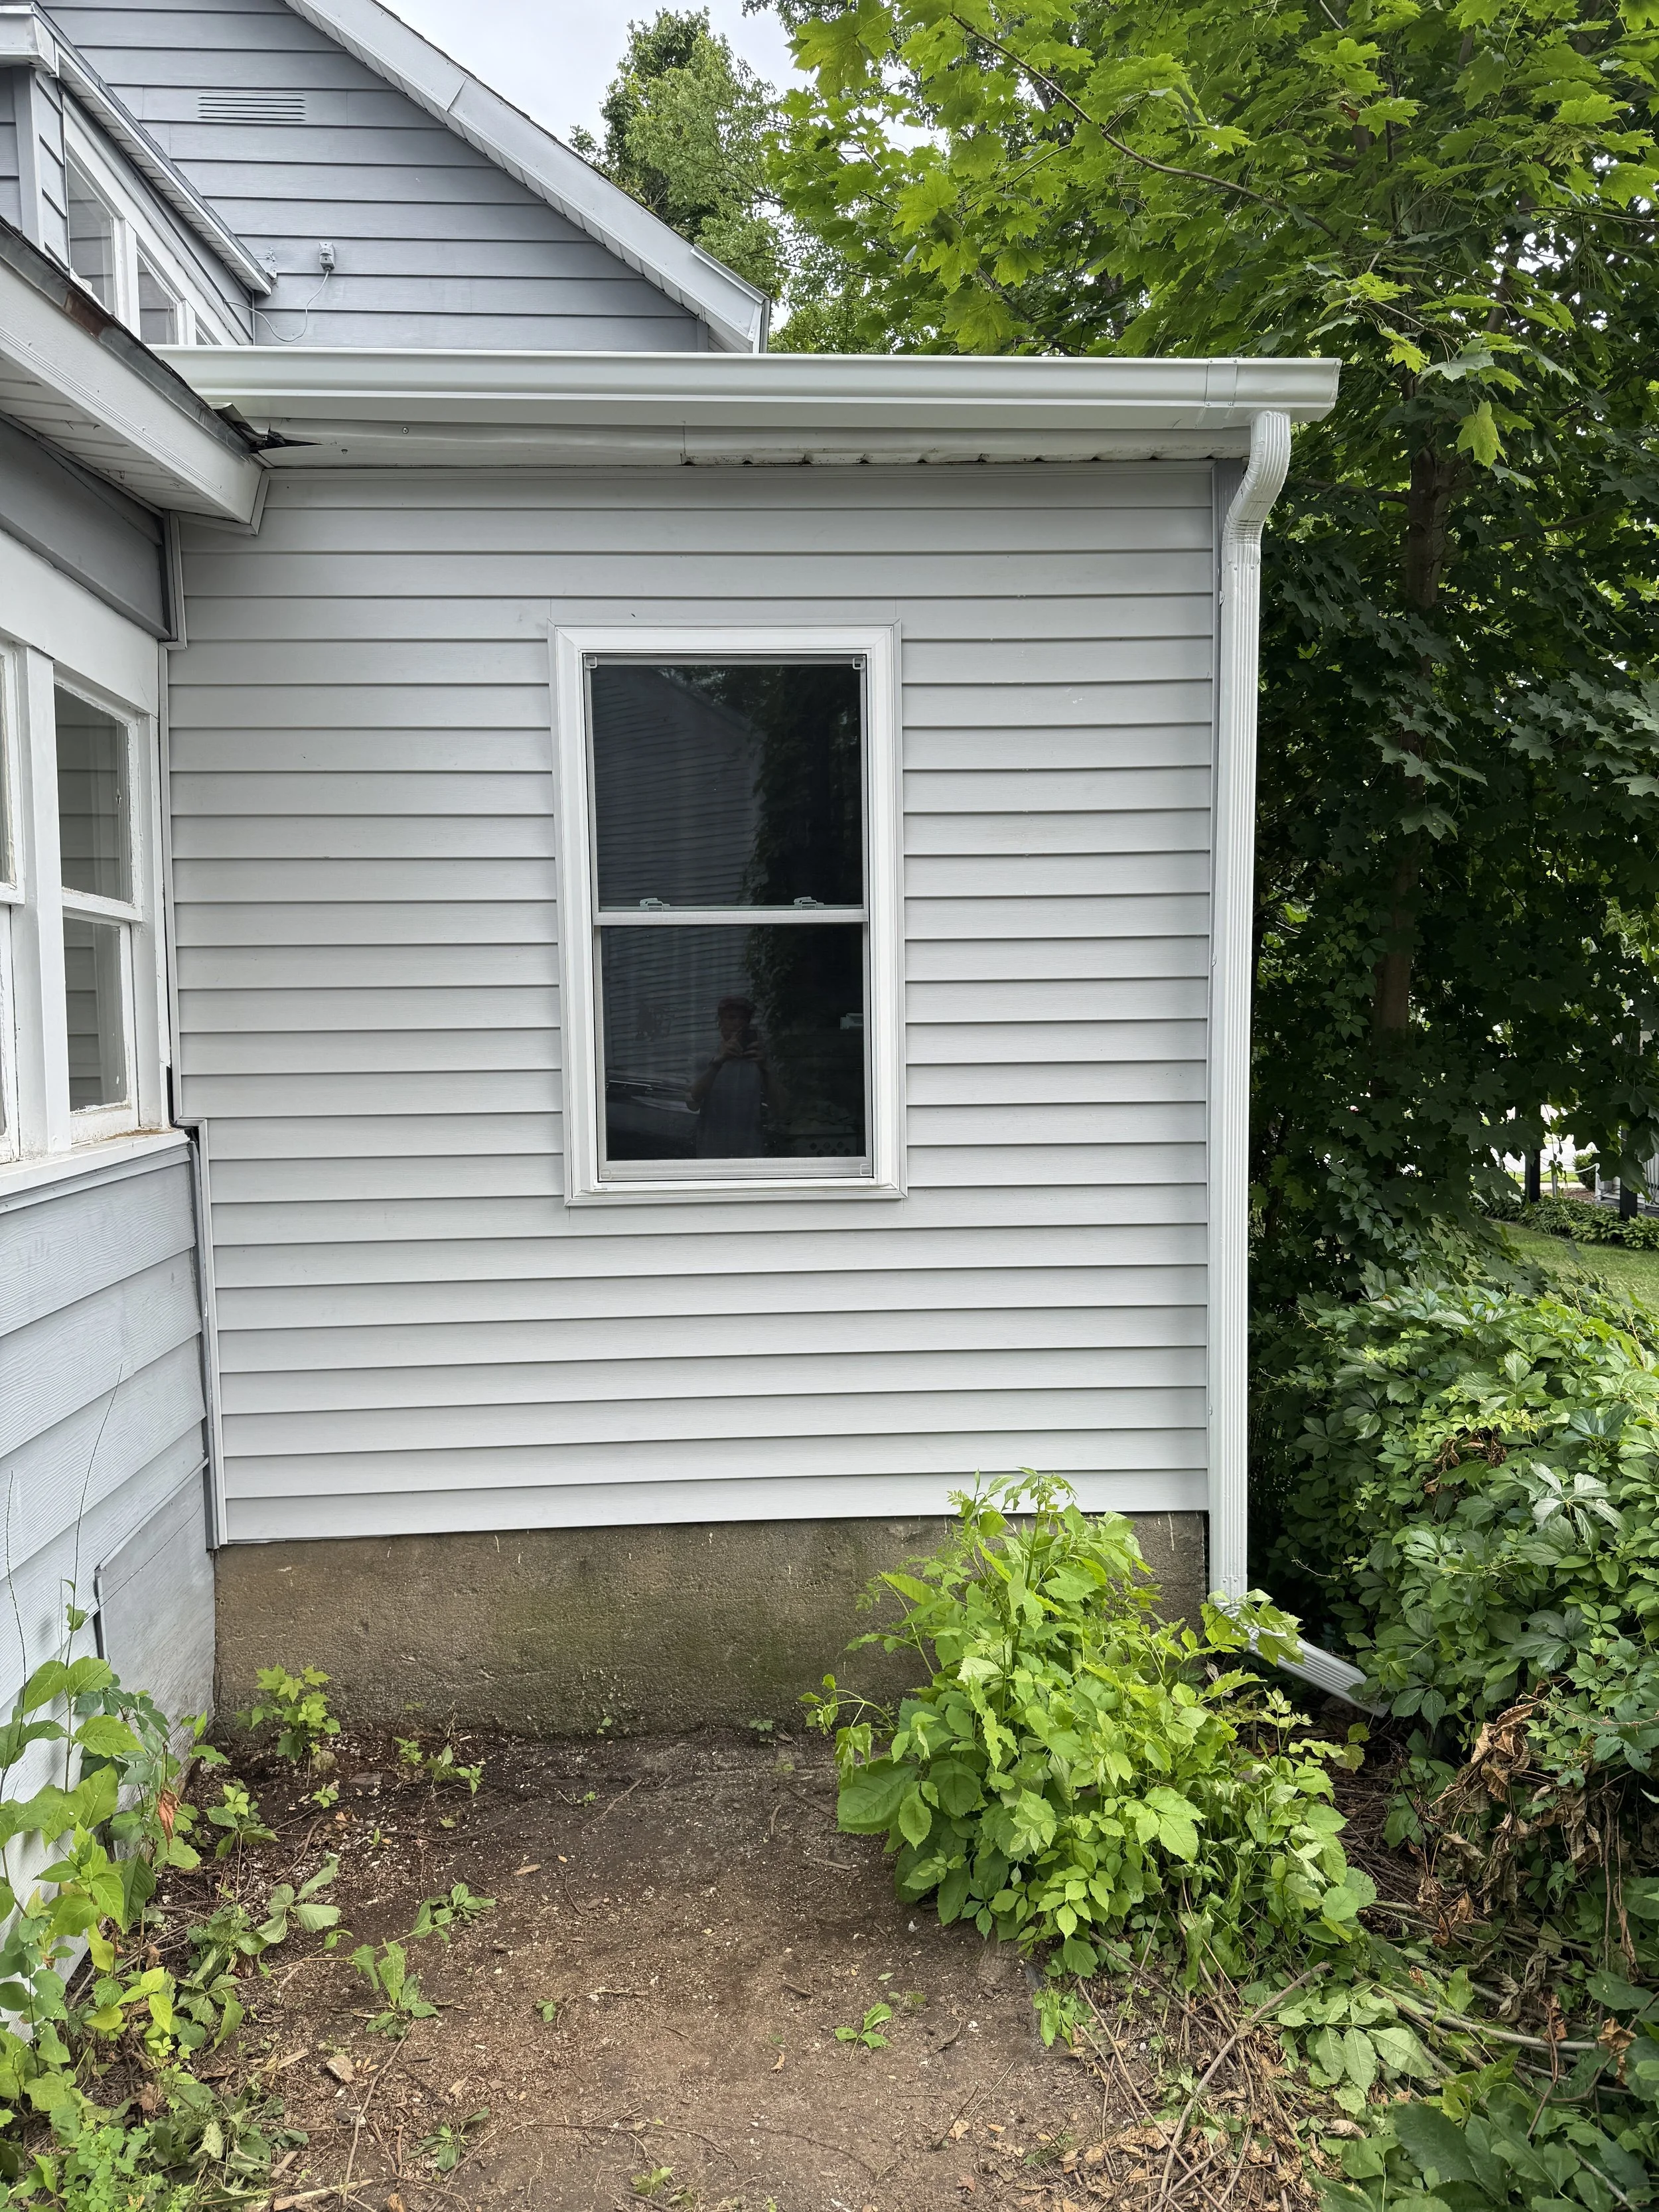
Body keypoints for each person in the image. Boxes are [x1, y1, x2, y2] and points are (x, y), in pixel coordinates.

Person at [687, 995, 783, 1157]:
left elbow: (781, 1110)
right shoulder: (704, 1059)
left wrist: (766, 1069)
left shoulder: (759, 1060)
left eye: (743, 1018)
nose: (737, 1023)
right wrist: (719, 1062)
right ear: (720, 1022)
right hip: (712, 1151)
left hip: (751, 1150)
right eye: (731, 1017)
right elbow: (693, 1102)